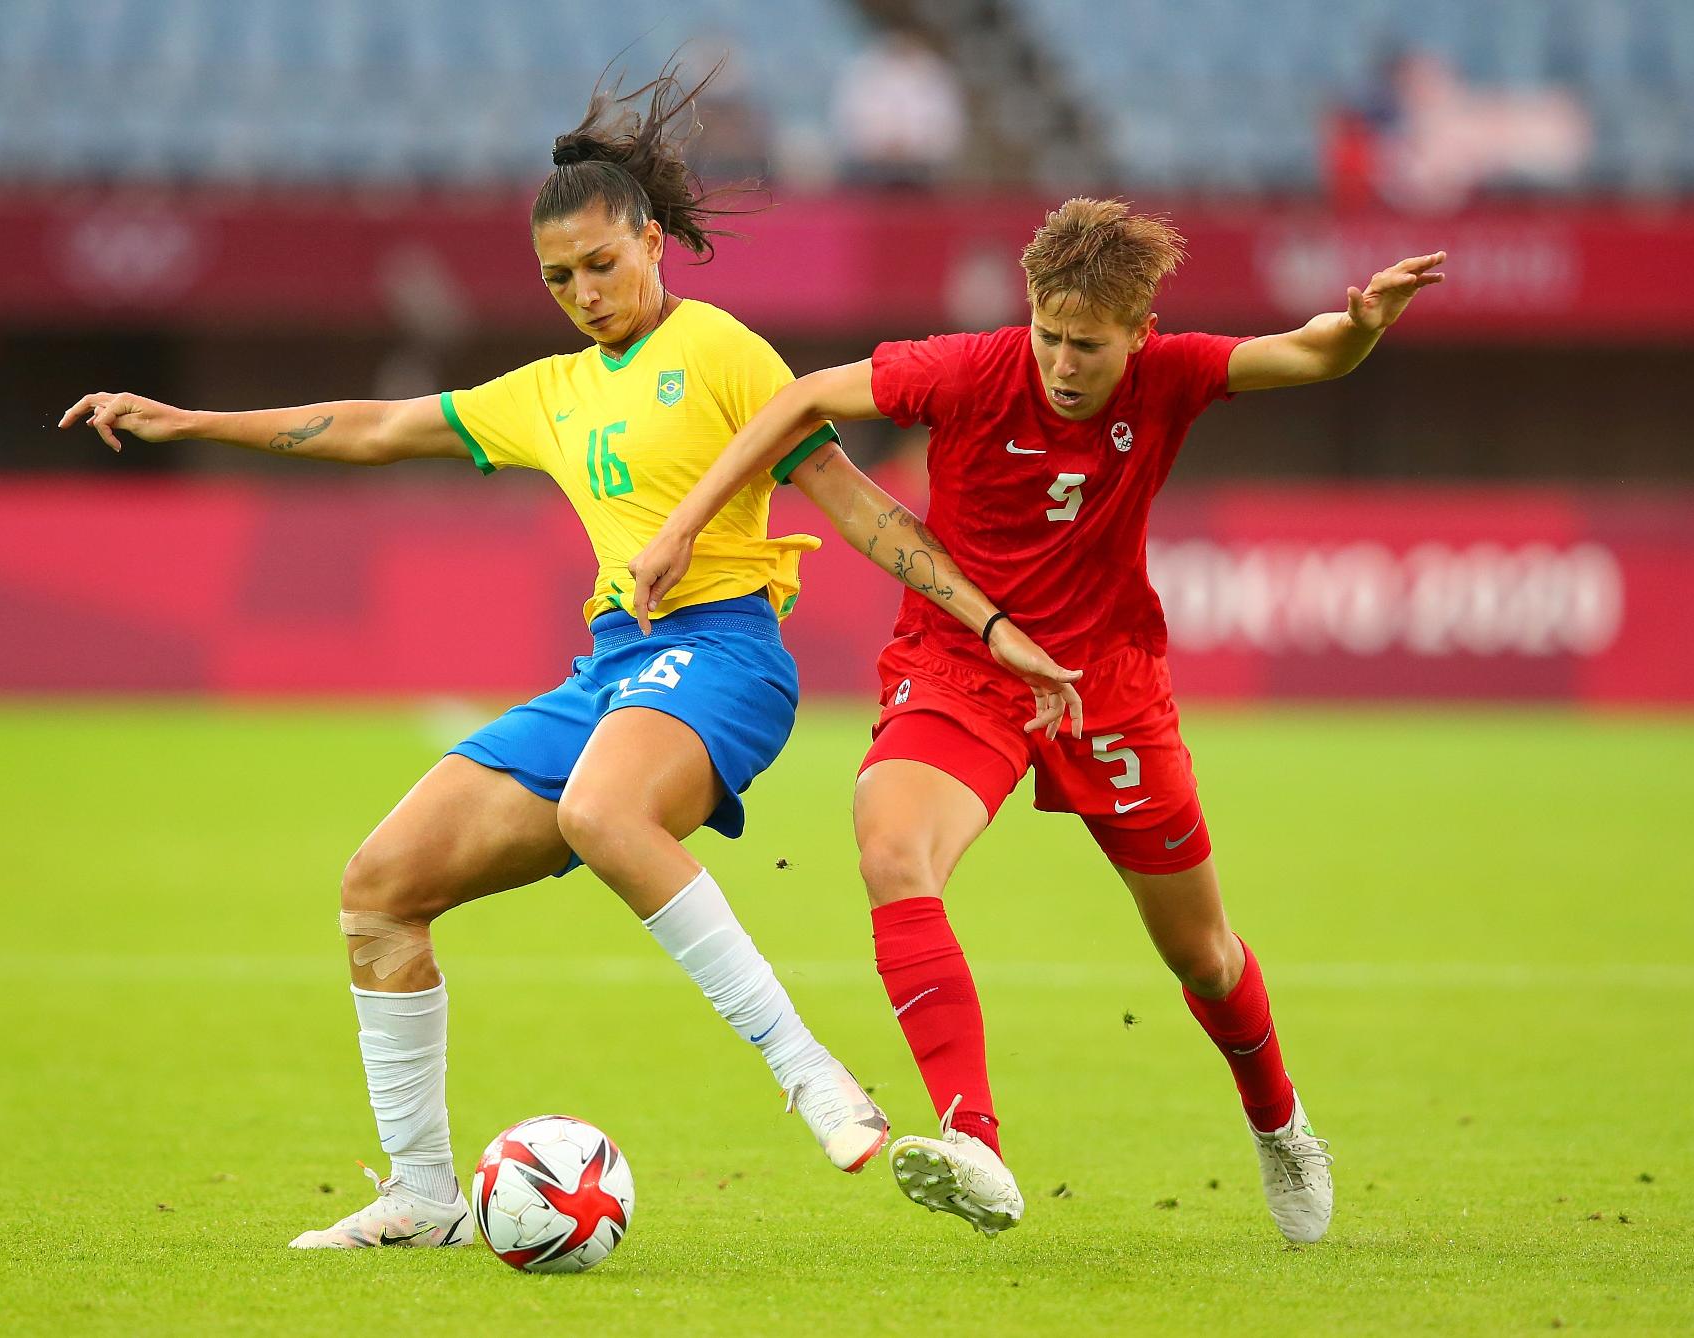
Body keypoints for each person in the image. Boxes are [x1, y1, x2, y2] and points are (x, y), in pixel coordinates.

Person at [59, 67, 1076, 1252]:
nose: (585, 294)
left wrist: (991, 624)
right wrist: (190, 424)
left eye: (601, 264)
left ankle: (810, 1073)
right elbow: (377, 426)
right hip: (612, 670)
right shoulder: (547, 392)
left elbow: (855, 506)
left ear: (653, 242)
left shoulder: (724, 352)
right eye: (558, 279)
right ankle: (426, 1194)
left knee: (604, 812)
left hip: (726, 659)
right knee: (379, 893)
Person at [630, 197, 1445, 1244]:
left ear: (1138, 336)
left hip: (1107, 681)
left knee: (1202, 956)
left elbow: (1309, 355)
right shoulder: (967, 369)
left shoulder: (1174, 375)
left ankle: (1279, 1121)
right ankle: (974, 1140)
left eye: (1089, 346)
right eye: (1050, 335)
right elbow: (800, 402)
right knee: (891, 845)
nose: (1063, 362)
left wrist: (1364, 323)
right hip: (961, 664)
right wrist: (683, 527)